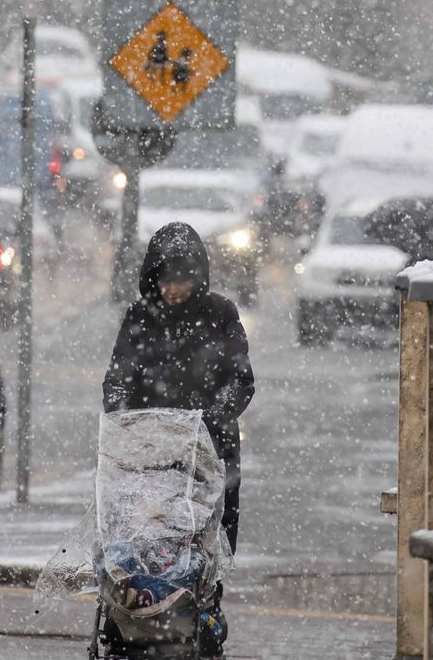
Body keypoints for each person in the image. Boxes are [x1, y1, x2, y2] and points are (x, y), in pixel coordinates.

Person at [102, 221, 255, 653]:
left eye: (182, 279)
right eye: (166, 279)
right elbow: (118, 379)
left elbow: (240, 380)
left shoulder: (220, 314)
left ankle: (206, 610)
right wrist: (122, 419)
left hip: (208, 454)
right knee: (141, 534)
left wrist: (208, 420)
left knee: (204, 542)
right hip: (148, 452)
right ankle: (132, 612)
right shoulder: (138, 317)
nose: (173, 289)